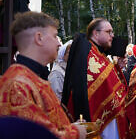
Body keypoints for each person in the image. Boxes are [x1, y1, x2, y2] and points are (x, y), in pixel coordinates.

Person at [0, 11, 86, 139]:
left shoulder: (32, 77)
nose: (58, 43)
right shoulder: (17, 84)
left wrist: (71, 126)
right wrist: (76, 132)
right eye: (55, 36)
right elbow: (35, 135)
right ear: (39, 38)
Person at [62, 18, 130, 139]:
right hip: (102, 121)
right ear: (96, 33)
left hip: (112, 118)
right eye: (108, 32)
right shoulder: (87, 53)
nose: (112, 35)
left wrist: (117, 67)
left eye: (112, 32)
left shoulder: (99, 53)